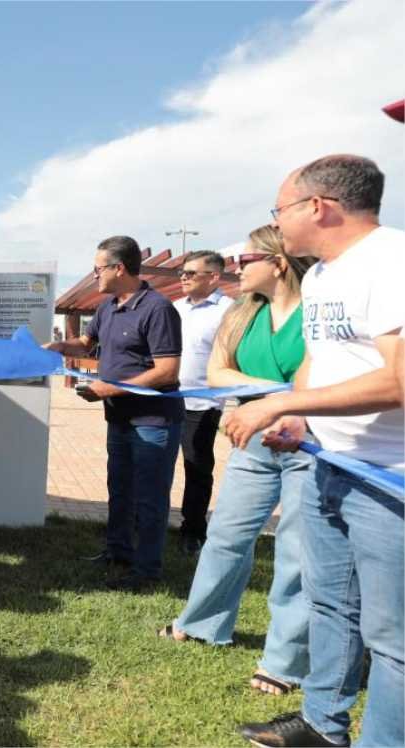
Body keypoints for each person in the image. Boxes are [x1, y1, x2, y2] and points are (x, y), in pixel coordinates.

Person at [231, 155, 404, 748]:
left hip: (389, 481)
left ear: (319, 206)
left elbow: (398, 381)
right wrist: (300, 413)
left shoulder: (392, 262)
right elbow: (318, 360)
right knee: (329, 605)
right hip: (331, 465)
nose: (276, 223)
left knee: (392, 639)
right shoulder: (324, 275)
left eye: (279, 210)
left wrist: (275, 406)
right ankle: (322, 727)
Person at [161, 226, 315, 697]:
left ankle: (286, 660)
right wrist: (276, 393)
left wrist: (263, 396)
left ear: (279, 262)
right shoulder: (241, 313)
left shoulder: (318, 311)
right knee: (226, 533)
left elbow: (320, 383)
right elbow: (216, 372)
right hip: (253, 440)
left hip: (311, 444)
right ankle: (204, 623)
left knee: (297, 551)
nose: (236, 268)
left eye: (246, 258)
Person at [44, 235, 184, 591]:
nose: (95, 277)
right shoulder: (108, 306)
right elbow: (86, 344)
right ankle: (118, 552)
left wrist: (110, 388)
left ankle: (146, 571)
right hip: (118, 418)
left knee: (149, 498)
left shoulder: (158, 309)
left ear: (118, 268)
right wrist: (60, 346)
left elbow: (167, 371)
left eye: (98, 269)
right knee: (119, 489)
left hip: (153, 421)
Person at [172, 250, 234, 556]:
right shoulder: (174, 308)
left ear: (213, 277)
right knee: (154, 463)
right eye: (181, 272)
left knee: (196, 467)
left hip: (202, 404)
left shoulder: (229, 311)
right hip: (165, 398)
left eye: (191, 273)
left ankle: (193, 529)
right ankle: (146, 522)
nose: (183, 277)